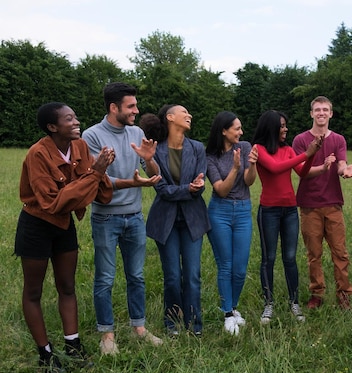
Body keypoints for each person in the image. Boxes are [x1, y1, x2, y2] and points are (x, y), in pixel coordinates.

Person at [16, 102, 114, 373]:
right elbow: (52, 202)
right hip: (36, 224)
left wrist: (100, 171)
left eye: (75, 117)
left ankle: (73, 347)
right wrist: (96, 172)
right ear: (52, 127)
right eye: (69, 119)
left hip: (63, 225)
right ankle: (45, 355)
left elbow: (97, 191)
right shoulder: (38, 154)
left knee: (67, 286)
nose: (76, 122)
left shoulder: (80, 146)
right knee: (33, 291)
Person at [83, 82, 164, 355]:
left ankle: (139, 328)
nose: (136, 110)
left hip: (135, 217)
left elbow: (152, 173)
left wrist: (150, 160)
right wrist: (133, 183)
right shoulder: (92, 136)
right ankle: (107, 335)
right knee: (105, 278)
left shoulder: (137, 131)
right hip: (106, 218)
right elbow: (99, 180)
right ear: (113, 107)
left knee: (137, 276)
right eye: (131, 106)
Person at [140, 105, 210, 336]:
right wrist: (187, 189)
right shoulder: (154, 150)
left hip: (193, 219)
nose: (189, 114)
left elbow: (199, 187)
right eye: (184, 112)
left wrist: (195, 188)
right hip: (165, 221)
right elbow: (160, 188)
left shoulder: (198, 148)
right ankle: (172, 324)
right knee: (172, 276)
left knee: (192, 275)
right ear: (170, 118)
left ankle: (194, 324)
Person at [252, 110, 322, 324]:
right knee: (269, 258)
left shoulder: (289, 149)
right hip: (269, 211)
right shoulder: (259, 149)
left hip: (290, 210)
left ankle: (294, 302)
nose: (285, 129)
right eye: (282, 126)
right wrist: (306, 154)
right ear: (271, 127)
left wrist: (309, 157)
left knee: (290, 258)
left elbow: (301, 172)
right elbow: (274, 168)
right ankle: (269, 303)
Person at [292, 96, 352, 311]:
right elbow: (302, 171)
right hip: (309, 205)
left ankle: (344, 293)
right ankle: (317, 292)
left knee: (340, 252)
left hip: (333, 204)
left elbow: (341, 163)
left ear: (331, 113)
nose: (321, 113)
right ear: (311, 114)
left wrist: (344, 170)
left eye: (325, 109)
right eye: (317, 110)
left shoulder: (338, 140)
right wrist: (324, 167)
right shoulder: (300, 140)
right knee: (314, 254)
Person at [205, 111, 258, 336]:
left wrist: (251, 165)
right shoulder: (210, 157)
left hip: (244, 210)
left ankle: (232, 307)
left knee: (240, 267)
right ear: (224, 131)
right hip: (220, 212)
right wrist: (235, 167)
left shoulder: (244, 147)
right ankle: (227, 314)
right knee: (225, 265)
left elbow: (249, 181)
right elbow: (222, 190)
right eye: (236, 128)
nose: (241, 132)